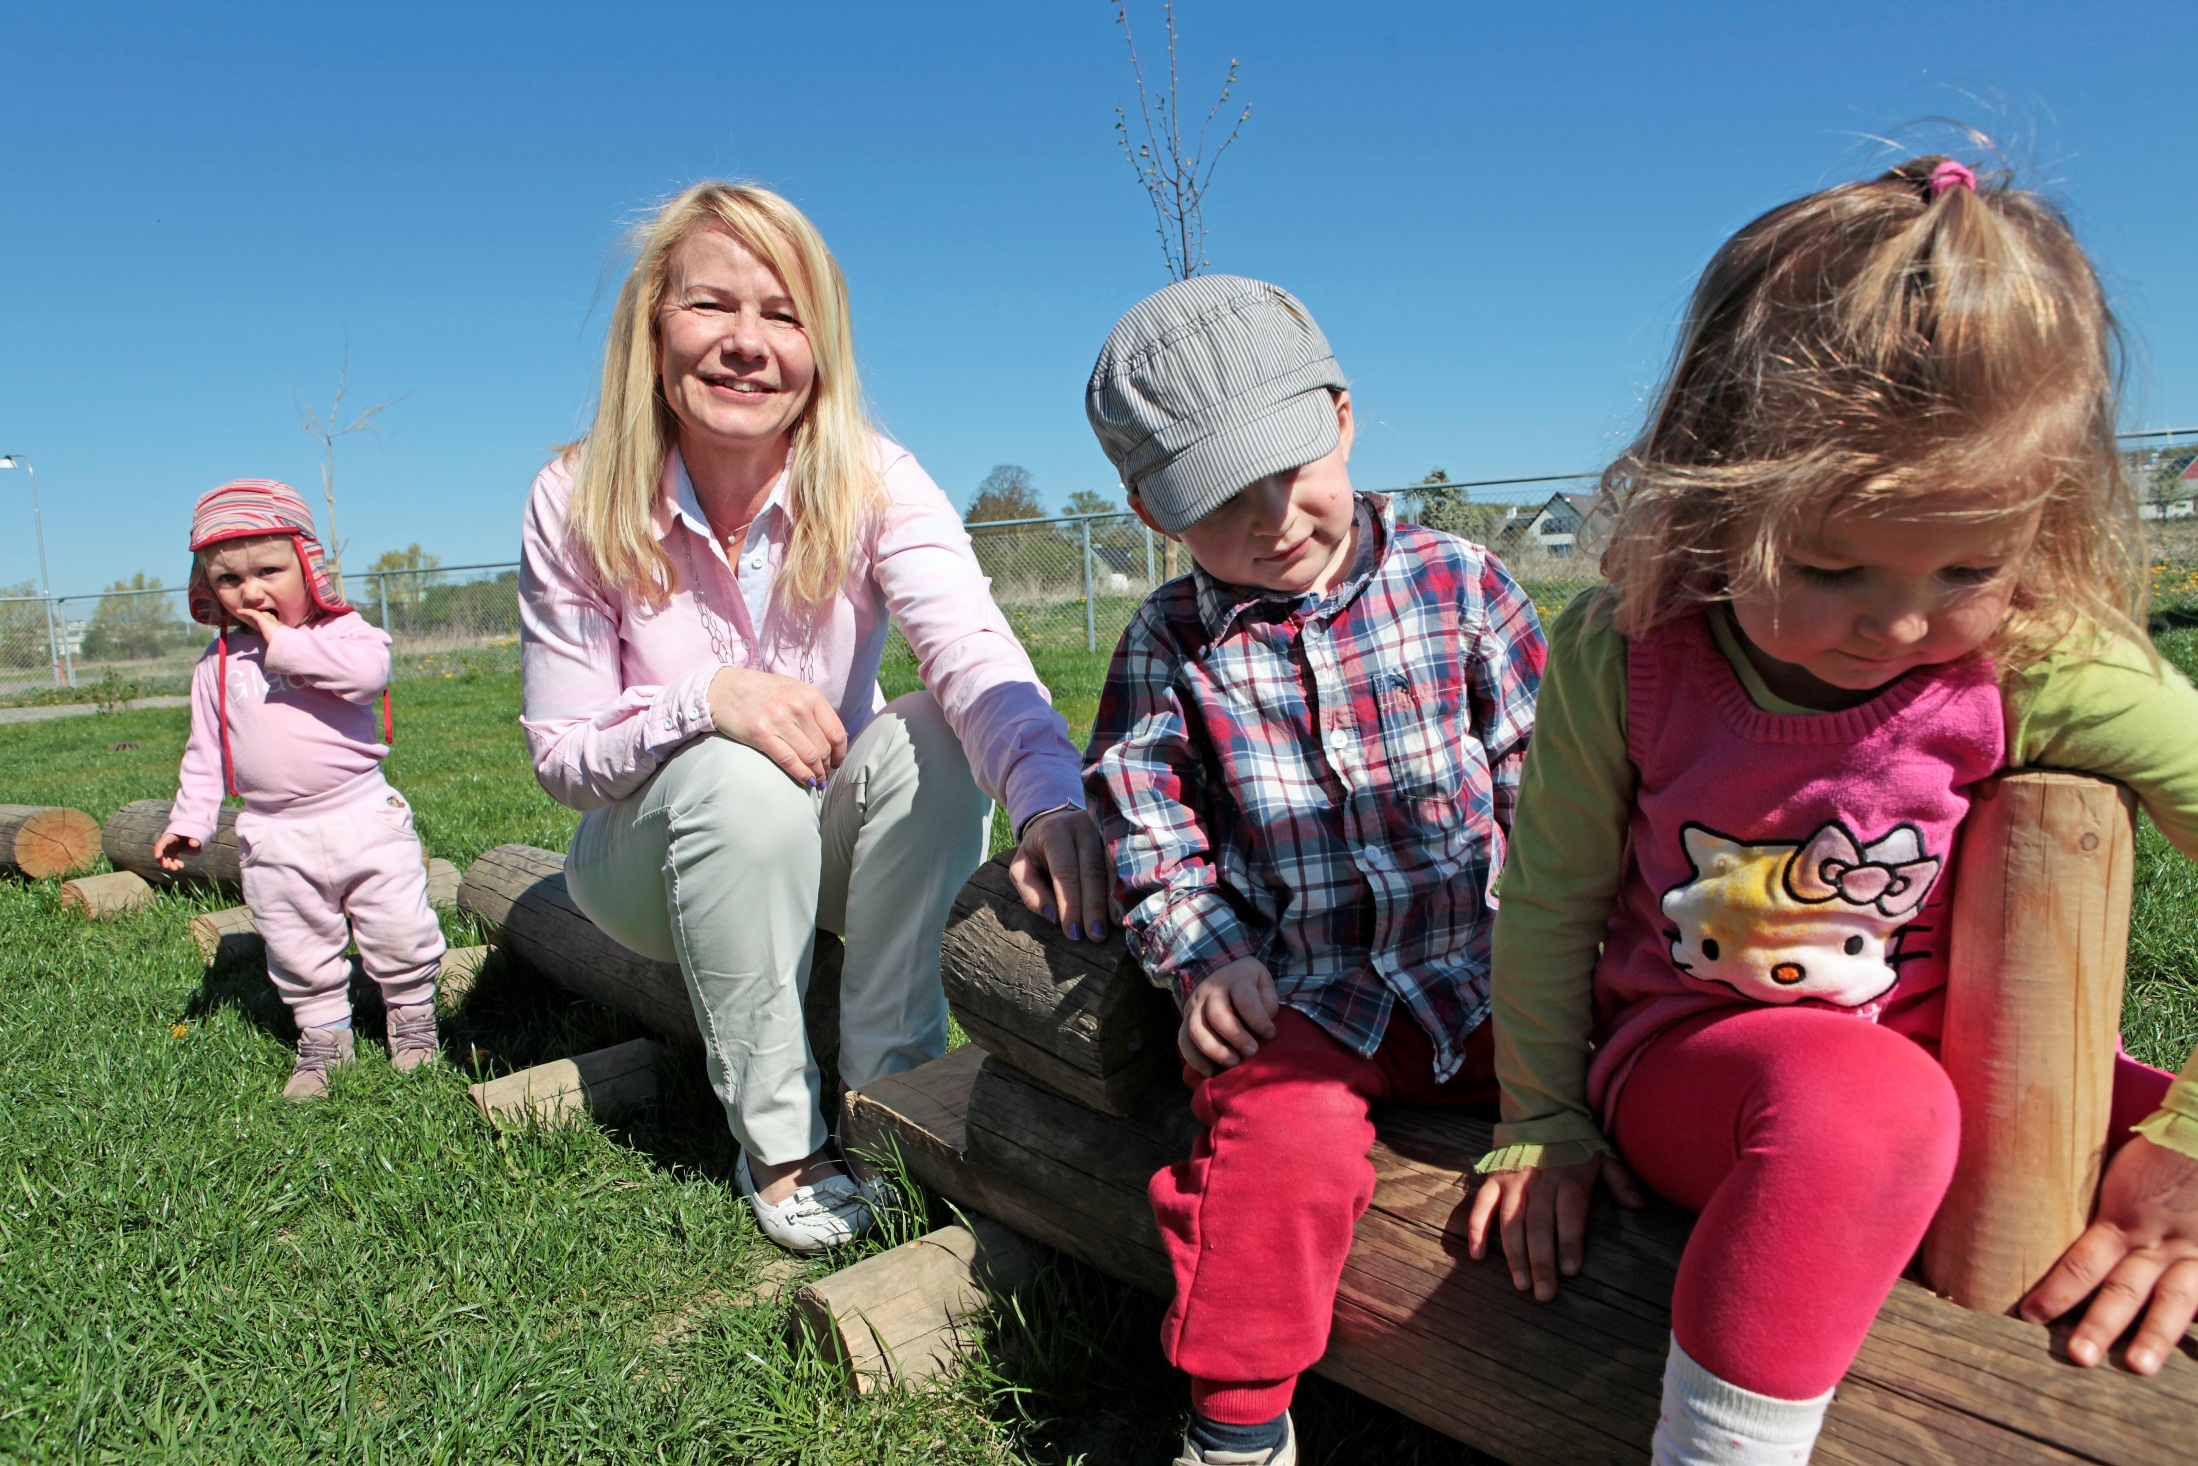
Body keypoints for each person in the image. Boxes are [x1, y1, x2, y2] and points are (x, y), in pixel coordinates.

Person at [1465, 157, 2198, 1465]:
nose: (1900, 620)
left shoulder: (2035, 658)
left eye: (1967, 565)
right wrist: (1539, 1118)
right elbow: (1549, 901)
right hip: (1706, 1061)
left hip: (1977, 1079)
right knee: (1864, 1112)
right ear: (1714, 489)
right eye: (1825, 564)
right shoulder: (1631, 652)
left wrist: (2181, 1145)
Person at [520, 182, 1108, 1255]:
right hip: (640, 860)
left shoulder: (876, 478)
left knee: (936, 726)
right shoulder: (574, 494)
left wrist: (1048, 799)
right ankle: (779, 1140)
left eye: (782, 313)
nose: (747, 342)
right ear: (652, 328)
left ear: (820, 345)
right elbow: (561, 756)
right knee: (732, 766)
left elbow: (972, 652)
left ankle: (889, 1089)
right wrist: (706, 700)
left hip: (819, 834)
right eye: (711, 306)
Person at [1081, 276, 1546, 1466]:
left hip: (1493, 970)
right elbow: (1146, 821)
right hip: (1313, 989)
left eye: (1287, 473)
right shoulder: (1167, 645)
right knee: (1261, 1136)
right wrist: (1203, 958)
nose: (1271, 520)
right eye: (1220, 503)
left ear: (1340, 417)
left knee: (1626, 1087)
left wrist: (1567, 975)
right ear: (1147, 508)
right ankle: (1237, 1422)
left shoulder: (1461, 586)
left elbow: (1543, 786)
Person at [154, 479, 447, 1101]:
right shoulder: (218, 666)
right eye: (229, 580)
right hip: (272, 830)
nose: (251, 592)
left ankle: (413, 1015)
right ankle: (323, 1034)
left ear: (307, 566)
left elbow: (368, 677)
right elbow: (207, 750)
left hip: (362, 814)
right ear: (208, 588)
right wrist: (192, 819)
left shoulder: (344, 634)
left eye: (269, 570)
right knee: (295, 941)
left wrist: (283, 646)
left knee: (398, 927)